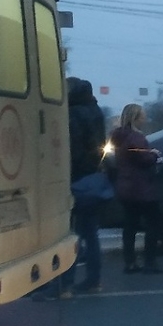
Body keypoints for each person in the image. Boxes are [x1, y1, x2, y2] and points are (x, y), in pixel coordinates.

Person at [109, 104, 163, 275]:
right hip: (141, 188)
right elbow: (143, 159)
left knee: (130, 225)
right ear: (135, 118)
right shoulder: (136, 137)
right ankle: (150, 262)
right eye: (143, 116)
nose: (145, 119)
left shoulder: (119, 136)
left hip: (125, 186)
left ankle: (130, 262)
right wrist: (155, 154)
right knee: (153, 224)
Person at [65, 76, 107, 294]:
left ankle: (66, 281)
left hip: (77, 177)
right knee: (90, 232)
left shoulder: (73, 114)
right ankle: (94, 279)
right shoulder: (96, 111)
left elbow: (72, 147)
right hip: (93, 176)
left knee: (71, 232)